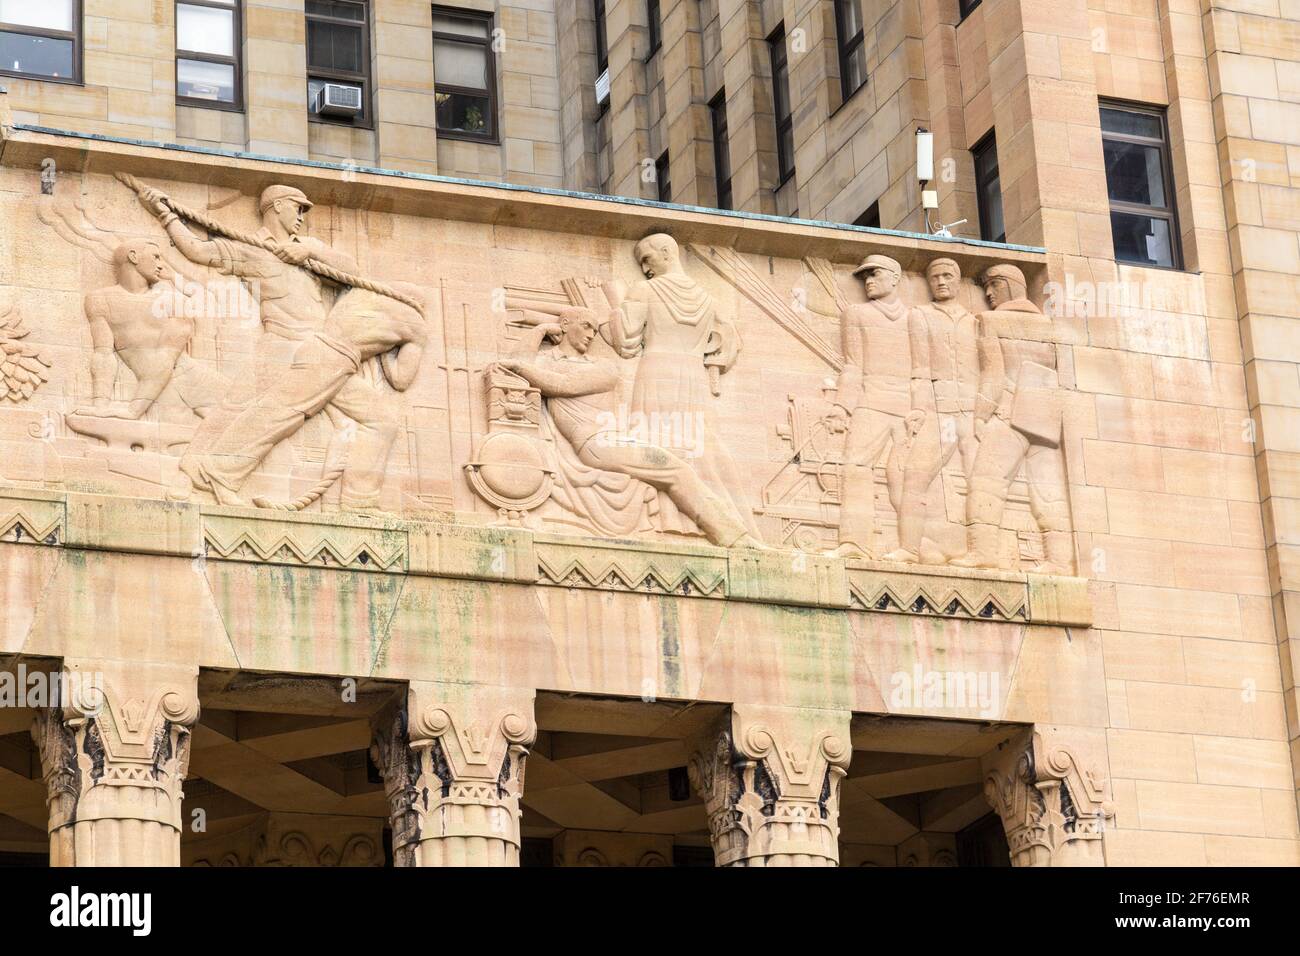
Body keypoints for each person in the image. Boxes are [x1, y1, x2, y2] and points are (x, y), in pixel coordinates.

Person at [496, 307, 762, 548]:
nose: (592, 334)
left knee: (697, 449)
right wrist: (540, 330)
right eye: (586, 325)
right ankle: (734, 539)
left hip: (617, 437)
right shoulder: (546, 363)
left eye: (595, 329)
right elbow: (517, 367)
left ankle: (727, 527)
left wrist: (523, 365)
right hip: (596, 444)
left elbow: (559, 383)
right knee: (677, 470)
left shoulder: (603, 368)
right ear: (565, 324)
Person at [179, 284, 427, 511]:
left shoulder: (361, 291)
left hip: (322, 354)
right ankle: (217, 472)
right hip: (333, 361)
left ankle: (359, 501)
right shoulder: (416, 326)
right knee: (277, 415)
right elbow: (401, 380)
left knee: (382, 421)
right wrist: (387, 351)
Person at [600, 234, 762, 542]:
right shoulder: (707, 299)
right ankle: (710, 522)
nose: (644, 269)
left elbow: (625, 342)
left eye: (647, 259)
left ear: (666, 252)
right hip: (692, 377)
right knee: (693, 445)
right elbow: (728, 343)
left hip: (657, 372)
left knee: (657, 445)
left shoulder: (644, 290)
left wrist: (609, 314)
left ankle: (670, 522)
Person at [950, 264, 1073, 574]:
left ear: (1009, 285)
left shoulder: (991, 322)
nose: (988, 293)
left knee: (986, 482)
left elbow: (993, 375)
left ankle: (983, 553)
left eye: (993, 285)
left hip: (1008, 413)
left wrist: (980, 416)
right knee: (1046, 491)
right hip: (1046, 419)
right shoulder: (1053, 328)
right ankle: (1058, 561)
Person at [881, 257, 982, 563]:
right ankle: (910, 548)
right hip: (942, 412)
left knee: (981, 482)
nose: (941, 282)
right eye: (935, 277)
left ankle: (979, 551)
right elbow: (920, 367)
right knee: (914, 475)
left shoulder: (974, 321)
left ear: (958, 280)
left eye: (947, 276)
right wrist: (918, 409)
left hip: (974, 413)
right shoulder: (921, 316)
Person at [825, 254, 915, 559]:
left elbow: (926, 369)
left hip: (908, 410)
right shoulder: (857, 314)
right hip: (871, 404)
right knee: (855, 466)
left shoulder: (916, 318)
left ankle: (912, 547)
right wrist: (842, 408)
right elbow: (853, 365)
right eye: (865, 278)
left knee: (905, 476)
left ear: (895, 277)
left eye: (874, 274)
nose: (869, 282)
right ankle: (855, 543)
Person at [77, 240, 228, 421]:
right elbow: (103, 354)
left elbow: (165, 360)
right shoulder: (99, 300)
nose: (161, 265)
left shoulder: (173, 302)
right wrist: (100, 405)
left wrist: (134, 410)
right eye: (155, 257)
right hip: (157, 390)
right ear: (133, 257)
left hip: (191, 384)